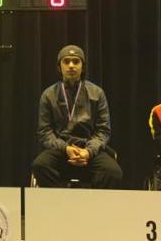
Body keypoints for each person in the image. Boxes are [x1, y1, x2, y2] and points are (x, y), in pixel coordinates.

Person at [32, 44, 122, 188]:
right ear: (59, 67)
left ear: (83, 66)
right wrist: (66, 148)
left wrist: (88, 151)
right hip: (61, 149)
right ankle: (59, 204)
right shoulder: (48, 95)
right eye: (66, 61)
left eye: (76, 61)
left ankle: (94, 207)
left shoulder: (97, 93)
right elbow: (45, 132)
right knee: (40, 166)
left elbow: (103, 131)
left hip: (88, 148)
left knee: (113, 172)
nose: (71, 65)